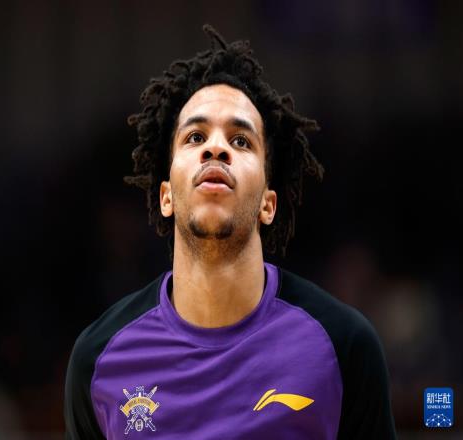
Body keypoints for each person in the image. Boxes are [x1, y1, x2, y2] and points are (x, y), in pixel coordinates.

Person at [64, 25, 396, 439]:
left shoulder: (344, 345)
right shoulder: (98, 358)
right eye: (195, 136)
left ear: (268, 204)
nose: (216, 148)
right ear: (166, 197)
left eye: (240, 141)